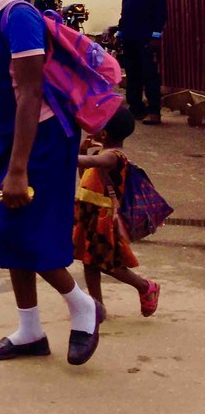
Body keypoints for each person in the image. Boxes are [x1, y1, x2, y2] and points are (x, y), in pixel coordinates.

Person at [0, 0, 103, 366]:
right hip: (6, 135)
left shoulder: (19, 15)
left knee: (24, 229)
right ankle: (30, 331)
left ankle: (82, 307)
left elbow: (30, 93)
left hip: (40, 138)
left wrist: (18, 168)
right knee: (5, 228)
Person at [73, 107, 160, 319]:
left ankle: (145, 286)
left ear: (103, 133)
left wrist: (67, 153)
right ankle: (97, 306)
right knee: (89, 260)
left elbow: (89, 163)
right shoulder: (101, 154)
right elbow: (85, 174)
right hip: (88, 212)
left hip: (102, 217)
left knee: (107, 263)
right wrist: (83, 151)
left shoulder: (114, 157)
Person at [117, 0, 167, 125]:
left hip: (146, 37)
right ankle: (136, 108)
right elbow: (125, 11)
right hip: (130, 37)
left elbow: (161, 13)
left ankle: (154, 111)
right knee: (133, 73)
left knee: (149, 74)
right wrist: (120, 33)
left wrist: (155, 35)